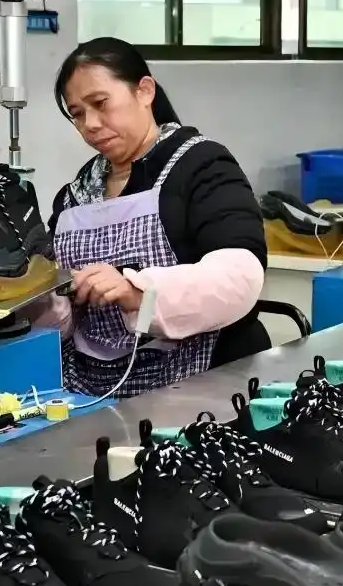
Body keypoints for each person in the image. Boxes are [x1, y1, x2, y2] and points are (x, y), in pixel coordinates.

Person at [34, 37, 270, 397]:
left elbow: (240, 276)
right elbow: (64, 317)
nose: (90, 125)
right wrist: (41, 298)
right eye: (78, 114)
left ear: (144, 91)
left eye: (100, 104)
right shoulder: (74, 196)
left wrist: (137, 293)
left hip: (205, 386)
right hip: (92, 393)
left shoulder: (201, 166)